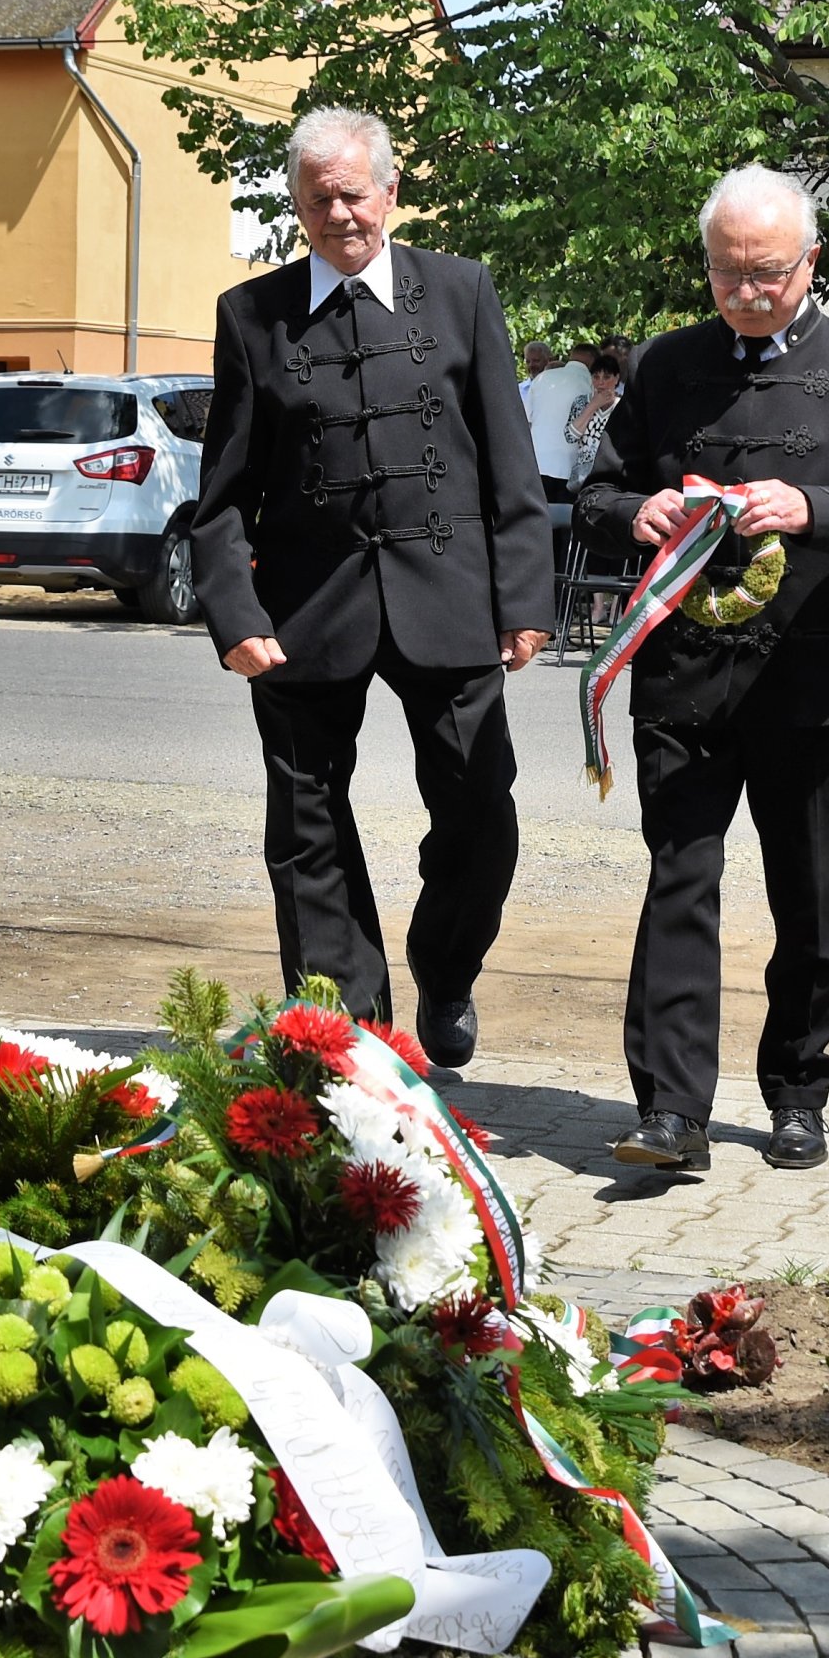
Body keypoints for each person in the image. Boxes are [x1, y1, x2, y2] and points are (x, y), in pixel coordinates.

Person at [575, 164, 829, 1176]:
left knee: (813, 897)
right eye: (727, 272)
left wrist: (813, 506)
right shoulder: (662, 363)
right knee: (679, 881)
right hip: (683, 677)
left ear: (810, 260)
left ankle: (796, 1091)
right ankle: (673, 1111)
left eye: (767, 273)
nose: (746, 292)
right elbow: (598, 493)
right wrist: (632, 513)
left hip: (808, 685)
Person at [192, 105, 552, 1060]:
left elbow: (510, 466)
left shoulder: (463, 292)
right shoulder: (251, 316)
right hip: (306, 615)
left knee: (482, 815)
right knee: (306, 831)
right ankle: (349, 1039)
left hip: (452, 599)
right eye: (318, 200)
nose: (338, 214)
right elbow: (221, 496)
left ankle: (446, 967)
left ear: (390, 192)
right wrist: (234, 613)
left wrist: (524, 601)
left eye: (354, 194)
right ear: (298, 206)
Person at [522, 341, 594, 501]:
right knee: (565, 519)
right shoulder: (592, 384)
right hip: (570, 469)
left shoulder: (542, 379)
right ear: (593, 363)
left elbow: (526, 423)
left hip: (537, 465)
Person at [565, 352, 624, 488]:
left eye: (607, 377)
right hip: (581, 478)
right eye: (596, 377)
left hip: (611, 475)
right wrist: (593, 405)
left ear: (616, 378)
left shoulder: (622, 406)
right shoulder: (581, 402)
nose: (601, 382)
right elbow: (570, 436)